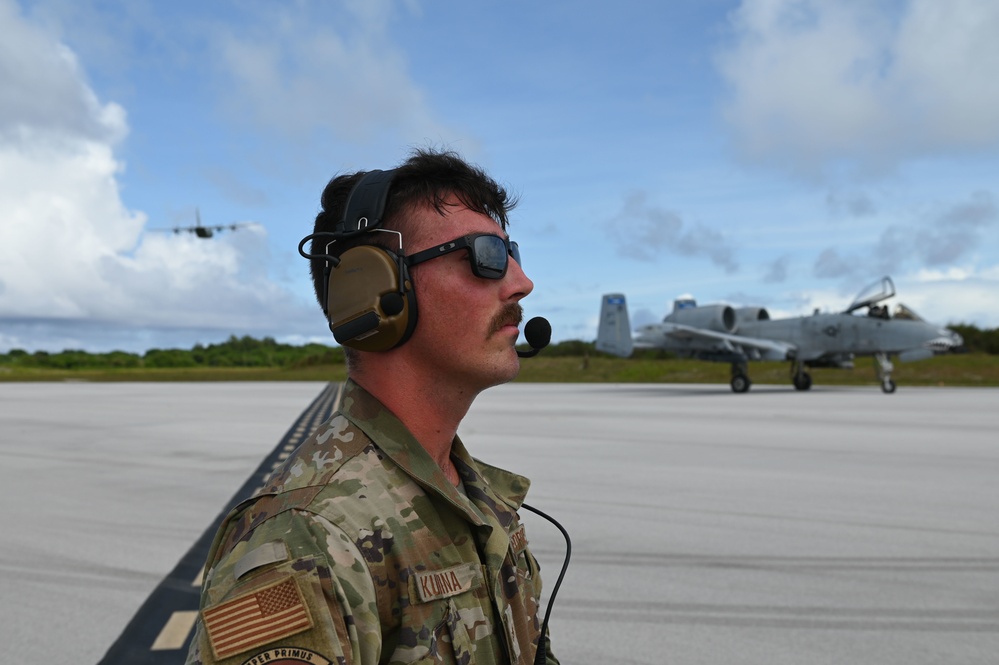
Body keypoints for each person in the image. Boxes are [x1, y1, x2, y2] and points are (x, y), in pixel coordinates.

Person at [185, 148, 558, 665]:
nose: (521, 282)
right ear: (376, 288)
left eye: (512, 253)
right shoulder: (308, 540)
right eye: (485, 256)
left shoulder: (480, 504)